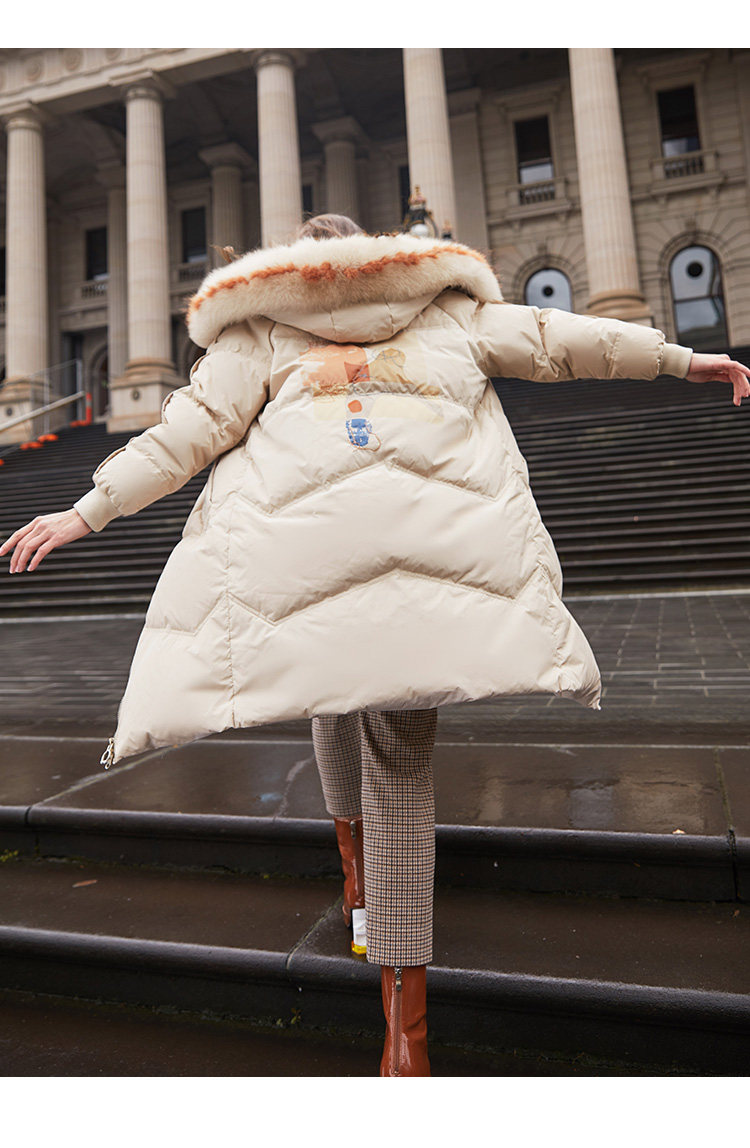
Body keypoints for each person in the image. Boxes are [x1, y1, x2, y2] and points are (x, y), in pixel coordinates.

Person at [2, 213, 749, 1077]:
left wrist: (86, 510)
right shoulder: (445, 310)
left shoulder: (262, 325)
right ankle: (405, 1036)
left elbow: (187, 433)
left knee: (329, 689)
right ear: (382, 254)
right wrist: (680, 359)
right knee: (400, 763)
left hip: (305, 552)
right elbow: (559, 338)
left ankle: (356, 876)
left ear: (298, 262)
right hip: (427, 556)